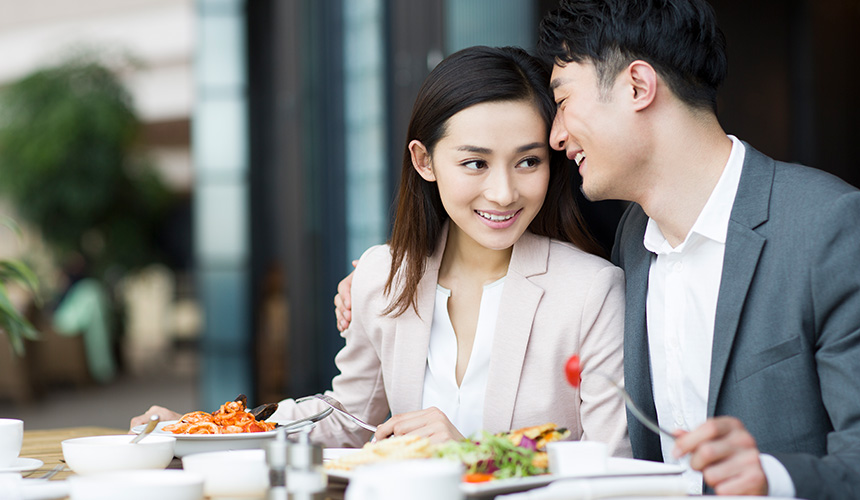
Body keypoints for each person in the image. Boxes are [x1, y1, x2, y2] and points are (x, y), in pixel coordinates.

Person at [336, 1, 860, 497]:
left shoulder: (830, 227)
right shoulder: (633, 243)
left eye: (563, 99)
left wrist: (773, 478)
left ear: (637, 87)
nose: (555, 137)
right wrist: (369, 281)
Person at [133, 46, 631, 456]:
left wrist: (474, 453)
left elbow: (612, 457)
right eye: (475, 163)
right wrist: (204, 430)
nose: (503, 192)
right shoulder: (382, 276)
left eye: (528, 161)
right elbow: (344, 419)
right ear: (425, 161)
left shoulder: (590, 291)